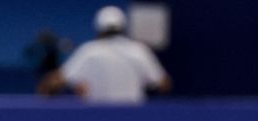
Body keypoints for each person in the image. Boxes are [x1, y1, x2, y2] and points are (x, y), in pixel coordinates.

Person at [40, 5, 171, 103]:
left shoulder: (90, 51)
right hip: (134, 119)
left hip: (99, 119)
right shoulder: (139, 50)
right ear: (123, 27)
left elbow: (53, 84)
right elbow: (164, 84)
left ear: (99, 29)